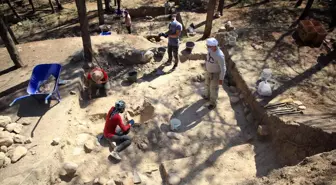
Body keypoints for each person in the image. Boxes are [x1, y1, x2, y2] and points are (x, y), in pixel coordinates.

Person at [203, 38, 226, 110]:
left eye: (208, 46)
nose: (207, 48)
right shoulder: (210, 51)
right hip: (208, 72)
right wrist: (206, 68)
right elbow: (208, 60)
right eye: (207, 46)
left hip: (215, 75)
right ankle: (207, 96)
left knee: (214, 89)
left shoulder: (220, 55)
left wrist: (221, 79)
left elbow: (223, 68)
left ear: (214, 46)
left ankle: (213, 103)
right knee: (207, 84)